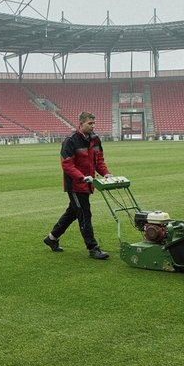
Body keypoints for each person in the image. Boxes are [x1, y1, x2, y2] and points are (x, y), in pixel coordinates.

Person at [44, 111, 111, 260]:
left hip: (87, 184)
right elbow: (67, 164)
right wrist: (81, 177)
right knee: (84, 214)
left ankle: (51, 238)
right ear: (81, 124)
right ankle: (93, 248)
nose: (93, 126)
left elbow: (99, 160)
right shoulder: (71, 141)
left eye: (94, 123)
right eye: (90, 123)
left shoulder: (95, 140)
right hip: (75, 185)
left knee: (72, 213)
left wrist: (105, 173)